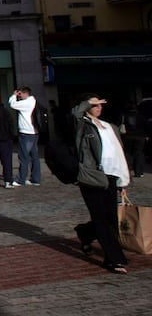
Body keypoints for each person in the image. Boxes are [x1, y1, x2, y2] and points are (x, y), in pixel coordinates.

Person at [73, 94, 130, 274]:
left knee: (110, 217)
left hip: (111, 176)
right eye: (94, 105)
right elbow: (75, 113)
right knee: (100, 217)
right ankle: (113, 259)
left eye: (99, 105)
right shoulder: (83, 125)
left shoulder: (109, 126)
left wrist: (124, 179)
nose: (98, 108)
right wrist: (87, 102)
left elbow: (119, 153)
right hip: (93, 176)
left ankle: (86, 233)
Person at [8, 86, 40, 187]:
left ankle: (21, 179)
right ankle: (35, 178)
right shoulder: (33, 101)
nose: (19, 96)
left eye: (20, 94)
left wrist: (13, 95)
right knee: (34, 156)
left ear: (25, 93)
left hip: (26, 132)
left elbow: (12, 104)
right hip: (34, 132)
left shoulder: (26, 103)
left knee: (24, 156)